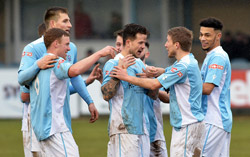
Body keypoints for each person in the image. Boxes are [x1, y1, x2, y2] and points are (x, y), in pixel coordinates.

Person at [18, 6, 115, 156]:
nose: (70, 24)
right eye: (66, 21)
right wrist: (100, 53)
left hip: (55, 120)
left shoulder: (67, 51)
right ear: (52, 24)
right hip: (45, 120)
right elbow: (24, 92)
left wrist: (88, 99)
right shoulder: (35, 50)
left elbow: (72, 77)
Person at [110, 26, 206, 157]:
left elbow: (154, 84)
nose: (165, 45)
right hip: (196, 123)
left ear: (176, 45)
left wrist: (126, 77)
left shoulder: (183, 66)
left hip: (186, 125)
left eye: (168, 41)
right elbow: (170, 71)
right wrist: (157, 71)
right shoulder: (189, 61)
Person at [30, 28, 100, 156]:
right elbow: (75, 70)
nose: (69, 49)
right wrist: (100, 53)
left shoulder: (39, 64)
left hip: (41, 129)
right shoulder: (55, 61)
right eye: (67, 44)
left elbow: (58, 90)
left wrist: (86, 83)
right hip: (56, 129)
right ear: (56, 43)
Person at [101, 23, 158, 156]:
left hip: (143, 128)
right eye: (140, 42)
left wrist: (151, 80)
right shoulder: (113, 63)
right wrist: (118, 76)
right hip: (123, 128)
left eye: (144, 42)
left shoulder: (139, 64)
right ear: (128, 42)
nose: (143, 46)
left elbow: (153, 95)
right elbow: (106, 94)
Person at [199, 17, 232, 157]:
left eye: (207, 35)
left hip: (214, 119)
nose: (202, 38)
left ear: (218, 36)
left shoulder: (217, 56)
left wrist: (181, 83)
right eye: (201, 34)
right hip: (219, 120)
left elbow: (206, 89)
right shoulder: (211, 55)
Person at [140, 42, 168, 157]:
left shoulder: (154, 73)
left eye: (142, 48)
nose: (139, 49)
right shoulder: (126, 73)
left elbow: (168, 98)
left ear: (147, 54)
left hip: (154, 132)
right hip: (135, 133)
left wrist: (152, 85)